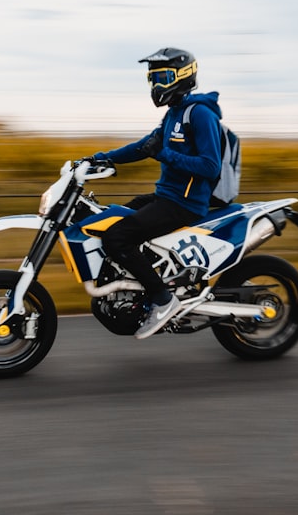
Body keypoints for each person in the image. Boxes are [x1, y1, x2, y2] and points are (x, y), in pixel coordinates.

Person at [87, 47, 224, 340]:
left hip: (186, 204)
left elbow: (210, 166)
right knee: (110, 221)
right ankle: (143, 287)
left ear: (184, 76)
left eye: (162, 77)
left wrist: (164, 154)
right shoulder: (174, 113)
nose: (157, 85)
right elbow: (142, 146)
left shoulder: (199, 114)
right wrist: (101, 157)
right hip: (166, 197)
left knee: (117, 237)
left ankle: (163, 299)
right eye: (153, 78)